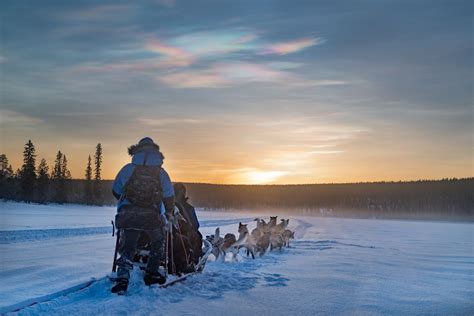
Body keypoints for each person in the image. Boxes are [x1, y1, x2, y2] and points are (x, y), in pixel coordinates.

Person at [111, 137, 174, 294]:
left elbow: (116, 190)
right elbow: (169, 195)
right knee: (158, 242)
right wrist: (169, 211)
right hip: (151, 216)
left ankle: (122, 277)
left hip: (128, 214)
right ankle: (151, 273)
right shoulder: (161, 173)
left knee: (128, 246)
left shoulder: (128, 169)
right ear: (156, 152)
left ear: (137, 151)